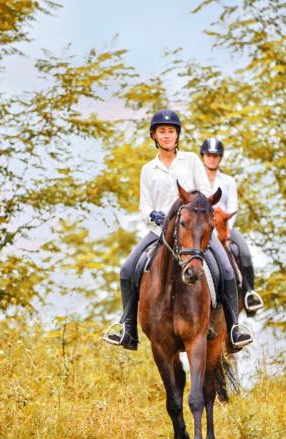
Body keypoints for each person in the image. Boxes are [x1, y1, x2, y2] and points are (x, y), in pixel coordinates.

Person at [104, 110, 253, 352]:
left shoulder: (192, 160)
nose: (166, 135)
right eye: (162, 131)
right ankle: (128, 328)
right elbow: (144, 205)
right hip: (159, 232)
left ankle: (235, 328)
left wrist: (193, 211)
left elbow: (205, 192)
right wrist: (152, 214)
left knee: (226, 268)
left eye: (171, 131)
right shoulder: (148, 169)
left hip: (193, 231)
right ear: (154, 135)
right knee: (127, 268)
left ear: (177, 135)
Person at [200, 137, 264, 314]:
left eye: (215, 156)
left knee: (242, 251)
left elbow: (233, 207)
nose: (212, 159)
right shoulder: (196, 179)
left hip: (223, 226)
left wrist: (226, 229)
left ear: (220, 158)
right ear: (203, 156)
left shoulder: (228, 181)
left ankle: (249, 293)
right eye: (209, 155)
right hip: (201, 227)